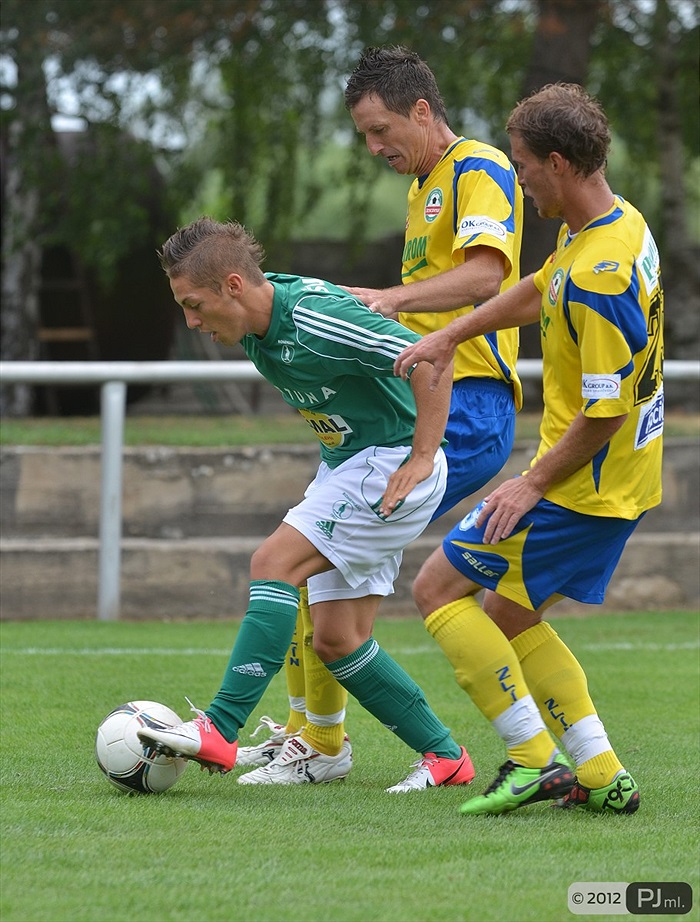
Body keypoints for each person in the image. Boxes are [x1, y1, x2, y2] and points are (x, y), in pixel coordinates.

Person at [236, 44, 524, 786]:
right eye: (364, 136)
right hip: (430, 394)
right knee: (310, 574)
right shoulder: (426, 181)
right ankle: (314, 735)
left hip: (466, 402)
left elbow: (488, 273)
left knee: (300, 560)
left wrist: (390, 300)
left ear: (422, 111)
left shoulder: (479, 167)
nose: (372, 148)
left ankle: (324, 744)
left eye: (379, 130)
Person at [394, 82, 663, 815]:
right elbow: (542, 284)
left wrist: (531, 483)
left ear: (557, 163)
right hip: (613, 481)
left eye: (521, 166)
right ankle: (602, 777)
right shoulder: (613, 226)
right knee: (510, 616)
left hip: (584, 484)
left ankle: (531, 760)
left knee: (437, 591)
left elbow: (608, 408)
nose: (515, 179)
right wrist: (452, 331)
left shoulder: (604, 273)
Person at [137, 216, 476, 794]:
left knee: (273, 564)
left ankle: (219, 726)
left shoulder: (317, 316)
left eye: (194, 305)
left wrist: (422, 456)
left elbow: (430, 358)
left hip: (388, 465)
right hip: (350, 466)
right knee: (338, 638)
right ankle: (446, 757)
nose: (191, 321)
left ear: (235, 286)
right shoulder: (249, 327)